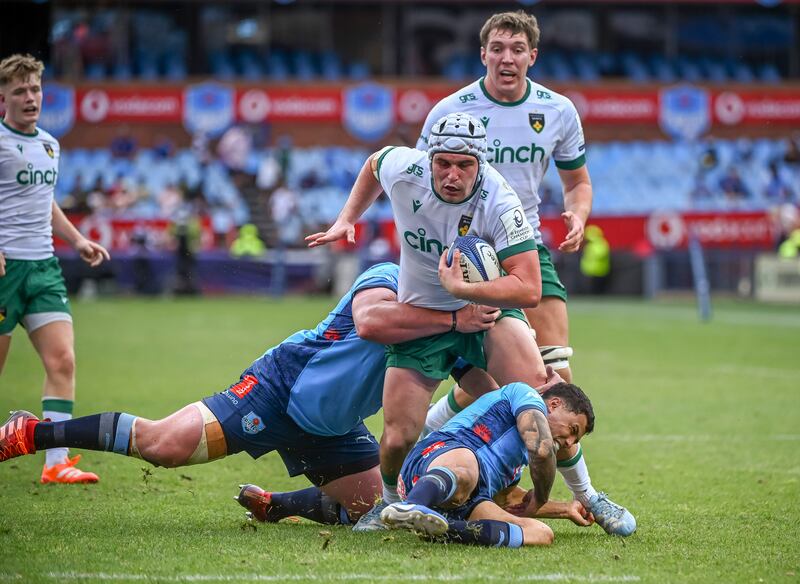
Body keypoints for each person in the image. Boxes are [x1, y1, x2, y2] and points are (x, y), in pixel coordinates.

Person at [0, 262, 499, 524]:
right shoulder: (387, 278)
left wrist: (520, 411)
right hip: (277, 390)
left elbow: (483, 392)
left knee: (385, 510)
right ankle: (32, 431)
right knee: (165, 447)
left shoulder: (446, 334)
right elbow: (371, 324)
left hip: (334, 430)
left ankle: (277, 504)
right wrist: (455, 320)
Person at [415, 11, 636, 535]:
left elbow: (578, 181)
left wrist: (578, 214)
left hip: (525, 250)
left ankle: (587, 497)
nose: (507, 57)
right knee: (493, 382)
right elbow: (425, 182)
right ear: (484, 53)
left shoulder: (557, 110)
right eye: (498, 48)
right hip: (465, 250)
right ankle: (431, 445)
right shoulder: (451, 111)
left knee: (556, 381)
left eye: (518, 48)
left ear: (532, 56)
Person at [306, 112, 553, 529]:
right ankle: (387, 505)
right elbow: (373, 164)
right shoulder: (406, 168)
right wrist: (347, 218)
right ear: (429, 158)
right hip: (422, 315)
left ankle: (583, 493)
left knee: (535, 391)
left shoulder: (500, 199)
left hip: (485, 310)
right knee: (400, 435)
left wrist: (466, 293)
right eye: (443, 163)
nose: (452, 175)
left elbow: (528, 288)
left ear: (481, 165)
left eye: (464, 165)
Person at [0, 54, 110, 484]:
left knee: (62, 360)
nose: (31, 98)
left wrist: (78, 239)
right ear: (3, 98)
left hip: (43, 267)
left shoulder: (49, 144)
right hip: (5, 269)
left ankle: (56, 462)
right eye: (20, 92)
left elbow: (43, 201)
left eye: (35, 90)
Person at [381, 381, 595, 547]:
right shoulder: (524, 394)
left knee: (539, 533)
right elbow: (541, 449)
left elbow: (508, 498)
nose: (569, 442)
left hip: (465, 498)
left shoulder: (516, 462)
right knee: (467, 469)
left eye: (575, 441)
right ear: (554, 404)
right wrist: (540, 497)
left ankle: (444, 529)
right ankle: (411, 504)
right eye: (573, 430)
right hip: (433, 459)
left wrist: (565, 509)